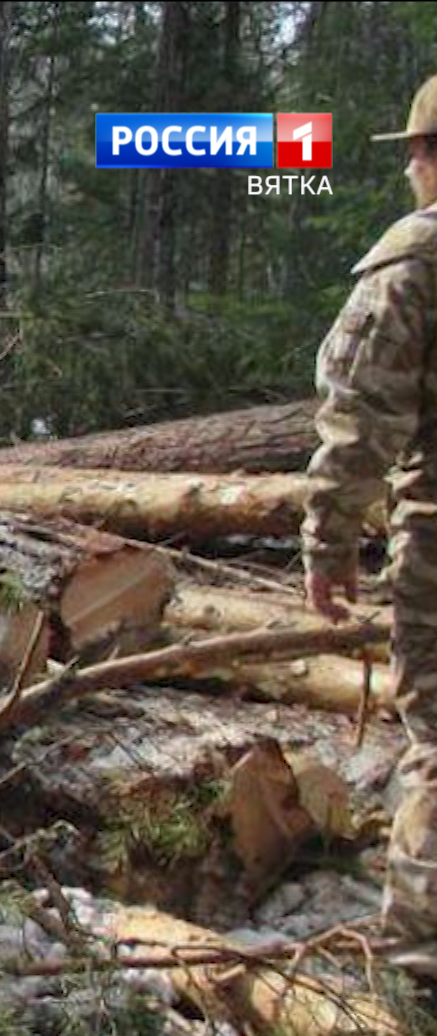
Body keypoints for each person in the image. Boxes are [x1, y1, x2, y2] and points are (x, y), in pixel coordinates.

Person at [302, 74, 437, 978]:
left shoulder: (417, 260)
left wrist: (329, 537)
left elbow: (360, 413)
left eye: (417, 153)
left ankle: (425, 962)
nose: (411, 171)